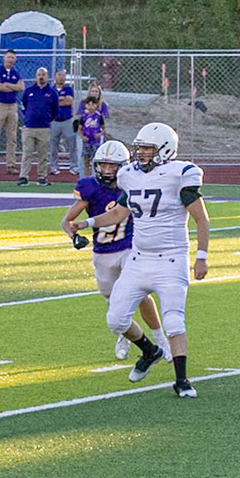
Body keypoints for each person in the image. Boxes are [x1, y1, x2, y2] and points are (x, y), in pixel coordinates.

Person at [88, 122, 209, 398]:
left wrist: (201, 256)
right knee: (116, 320)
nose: (140, 153)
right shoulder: (130, 174)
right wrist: (88, 222)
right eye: (140, 148)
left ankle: (182, 381)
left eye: (147, 148)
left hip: (171, 258)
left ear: (165, 150)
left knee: (175, 322)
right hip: (139, 259)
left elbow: (202, 219)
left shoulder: (180, 174)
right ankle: (149, 350)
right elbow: (119, 213)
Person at [61, 140, 168, 361]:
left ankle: (160, 338)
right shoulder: (89, 187)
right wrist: (75, 237)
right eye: (103, 165)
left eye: (112, 166)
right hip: (102, 253)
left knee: (140, 294)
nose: (107, 170)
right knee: (115, 306)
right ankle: (125, 336)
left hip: (129, 247)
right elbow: (67, 221)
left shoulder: (132, 183)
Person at [18, 68, 58, 186]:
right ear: (36, 76)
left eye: (44, 75)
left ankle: (42, 177)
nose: (41, 77)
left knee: (43, 154)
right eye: (39, 74)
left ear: (47, 76)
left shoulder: (52, 93)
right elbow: (24, 106)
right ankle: (24, 177)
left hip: (44, 128)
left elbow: (55, 110)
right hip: (29, 127)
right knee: (27, 153)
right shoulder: (29, 91)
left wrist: (47, 120)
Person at [0, 49, 21, 174]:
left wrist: (8, 85)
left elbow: (21, 87)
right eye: (9, 57)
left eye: (13, 58)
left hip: (12, 106)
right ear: (4, 58)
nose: (10, 60)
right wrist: (12, 87)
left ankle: (11, 165)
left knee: (12, 138)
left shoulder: (15, 72)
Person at [49, 69, 78, 176]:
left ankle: (74, 166)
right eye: (59, 75)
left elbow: (68, 101)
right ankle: (54, 166)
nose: (61, 77)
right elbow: (49, 103)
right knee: (53, 145)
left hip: (67, 120)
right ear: (55, 76)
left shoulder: (68, 89)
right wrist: (60, 99)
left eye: (63, 75)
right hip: (54, 121)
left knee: (72, 144)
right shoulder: (50, 90)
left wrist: (57, 100)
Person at [77, 83, 109, 178]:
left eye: (96, 91)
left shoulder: (102, 107)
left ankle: (96, 176)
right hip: (86, 135)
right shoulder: (83, 105)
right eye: (93, 91)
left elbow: (104, 123)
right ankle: (83, 177)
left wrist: (100, 133)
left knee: (96, 157)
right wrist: (82, 135)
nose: (94, 93)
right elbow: (79, 121)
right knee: (84, 157)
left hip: (96, 137)